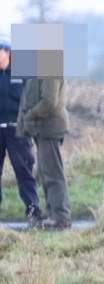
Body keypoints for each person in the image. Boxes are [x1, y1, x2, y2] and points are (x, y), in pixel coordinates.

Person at [0, 34, 42, 228]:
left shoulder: (22, 72)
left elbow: (34, 97)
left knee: (24, 172)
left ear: (7, 52)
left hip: (18, 131)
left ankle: (34, 215)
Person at [16, 74, 68, 230]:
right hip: (43, 129)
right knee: (46, 172)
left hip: (50, 128)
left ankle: (60, 217)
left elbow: (49, 102)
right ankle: (53, 215)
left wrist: (30, 114)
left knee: (52, 173)